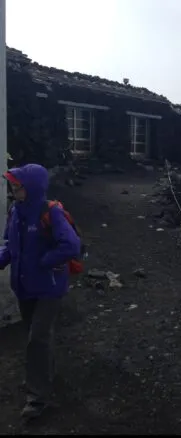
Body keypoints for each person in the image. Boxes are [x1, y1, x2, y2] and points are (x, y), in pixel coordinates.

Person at [0, 164, 84, 420]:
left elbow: (71, 245)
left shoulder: (51, 212)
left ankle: (38, 399)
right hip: (24, 287)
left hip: (48, 288)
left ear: (33, 188)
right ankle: (45, 378)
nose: (14, 191)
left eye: (18, 187)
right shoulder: (15, 212)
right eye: (12, 186)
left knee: (37, 338)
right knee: (38, 338)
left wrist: (45, 261)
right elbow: (9, 245)